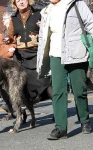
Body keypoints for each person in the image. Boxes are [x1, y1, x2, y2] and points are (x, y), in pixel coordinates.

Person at [37, 0, 93, 140]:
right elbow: (43, 37)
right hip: (55, 54)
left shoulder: (76, 3)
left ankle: (85, 121)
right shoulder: (46, 11)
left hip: (76, 53)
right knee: (58, 91)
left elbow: (91, 24)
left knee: (79, 89)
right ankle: (61, 127)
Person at [4, 0, 51, 103]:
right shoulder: (13, 18)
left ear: (29, 1)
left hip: (37, 53)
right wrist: (8, 39)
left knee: (44, 80)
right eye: (18, 1)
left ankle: (51, 101)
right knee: (23, 83)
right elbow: (10, 34)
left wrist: (42, 25)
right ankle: (24, 108)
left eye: (23, 0)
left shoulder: (39, 13)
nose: (21, 2)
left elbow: (49, 28)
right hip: (21, 56)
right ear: (14, 3)